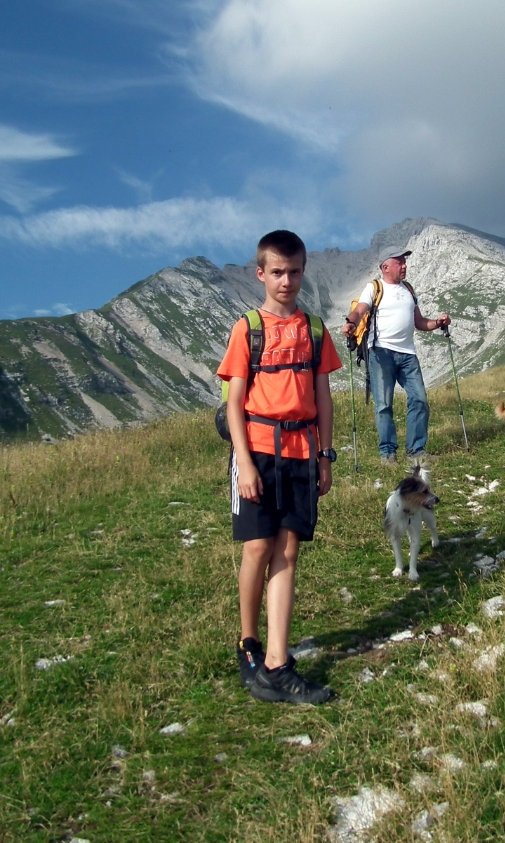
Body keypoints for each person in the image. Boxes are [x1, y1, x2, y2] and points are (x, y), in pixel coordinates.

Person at [218, 230, 342, 704]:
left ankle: (277, 663)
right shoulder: (247, 328)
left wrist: (325, 457)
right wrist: (244, 465)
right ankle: (248, 643)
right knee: (257, 547)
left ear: (303, 271)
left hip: (301, 454)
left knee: (287, 552)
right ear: (261, 274)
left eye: (293, 271)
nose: (286, 280)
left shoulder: (314, 329)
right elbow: (233, 405)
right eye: (277, 272)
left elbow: (324, 397)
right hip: (257, 452)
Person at [341, 246, 450, 466]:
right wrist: (351, 322)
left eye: (404, 262)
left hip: (408, 354)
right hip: (381, 352)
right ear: (385, 267)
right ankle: (387, 453)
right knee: (383, 404)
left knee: (419, 399)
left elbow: (420, 322)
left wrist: (437, 323)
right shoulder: (375, 287)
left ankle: (416, 451)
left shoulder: (408, 289)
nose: (404, 265)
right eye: (399, 262)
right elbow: (361, 309)